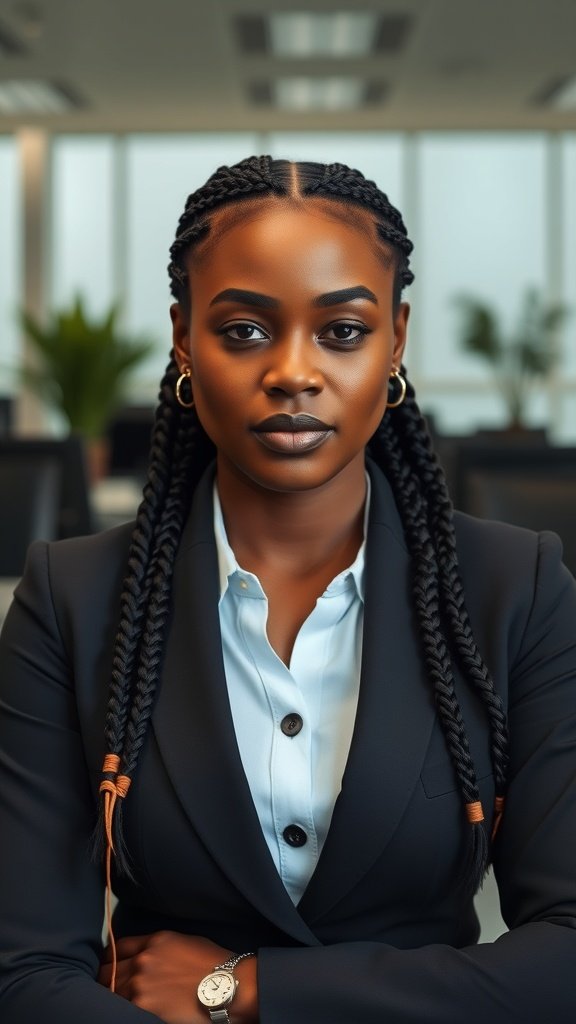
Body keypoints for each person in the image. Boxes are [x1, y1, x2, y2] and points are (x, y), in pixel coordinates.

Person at [0, 155, 575, 1024]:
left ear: (397, 340)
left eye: (342, 330)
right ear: (183, 338)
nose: (294, 373)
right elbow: (25, 970)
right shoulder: (72, 600)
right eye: (243, 331)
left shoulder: (515, 589)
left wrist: (246, 990)